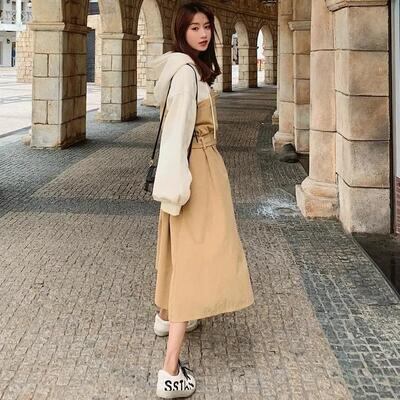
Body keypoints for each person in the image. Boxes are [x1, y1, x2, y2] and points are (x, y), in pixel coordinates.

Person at [151, 2, 255, 398]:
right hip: (195, 171)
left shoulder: (190, 70)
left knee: (179, 250)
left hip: (198, 167)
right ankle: (170, 371)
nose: (203, 33)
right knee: (198, 255)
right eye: (194, 27)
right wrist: (178, 187)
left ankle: (167, 315)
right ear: (181, 31)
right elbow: (177, 134)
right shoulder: (185, 74)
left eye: (206, 26)